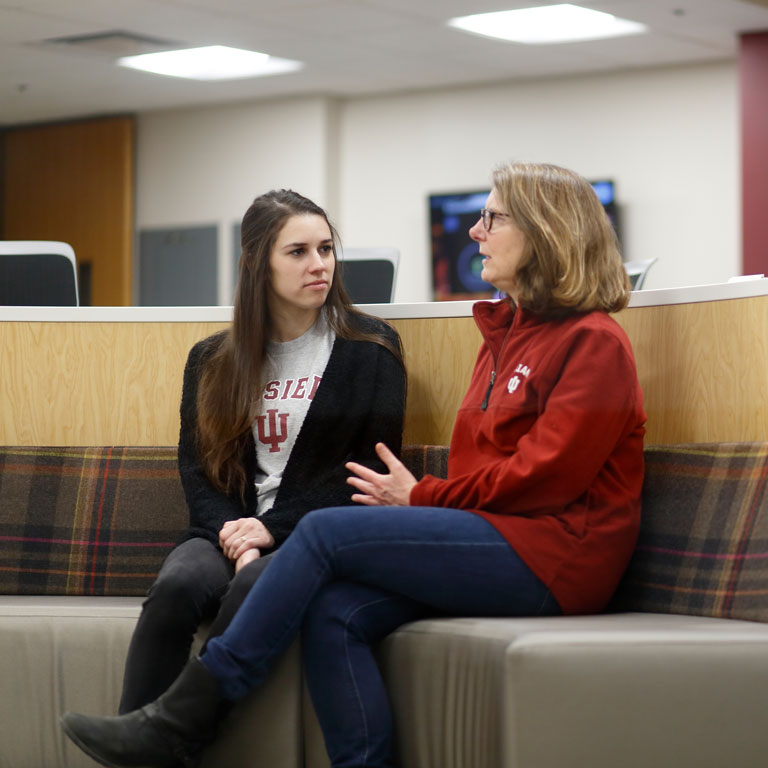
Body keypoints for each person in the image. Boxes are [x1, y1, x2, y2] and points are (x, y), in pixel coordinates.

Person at [60, 161, 646, 768]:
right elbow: (486, 472)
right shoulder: (504, 334)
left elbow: (547, 478)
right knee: (334, 613)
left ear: (545, 231)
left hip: (560, 557)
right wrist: (428, 499)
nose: (476, 231)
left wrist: (422, 498)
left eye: (492, 218)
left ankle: (181, 720)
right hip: (501, 537)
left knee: (323, 533)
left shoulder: (594, 341)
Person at [117, 188, 406, 715]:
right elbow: (198, 471)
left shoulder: (372, 349)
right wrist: (237, 534)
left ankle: (171, 729)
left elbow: (365, 475)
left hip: (314, 536)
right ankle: (133, 725)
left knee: (251, 583)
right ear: (257, 263)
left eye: (326, 249)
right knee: (177, 584)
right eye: (298, 252)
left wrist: (271, 530)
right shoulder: (211, 360)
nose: (319, 265)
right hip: (225, 529)